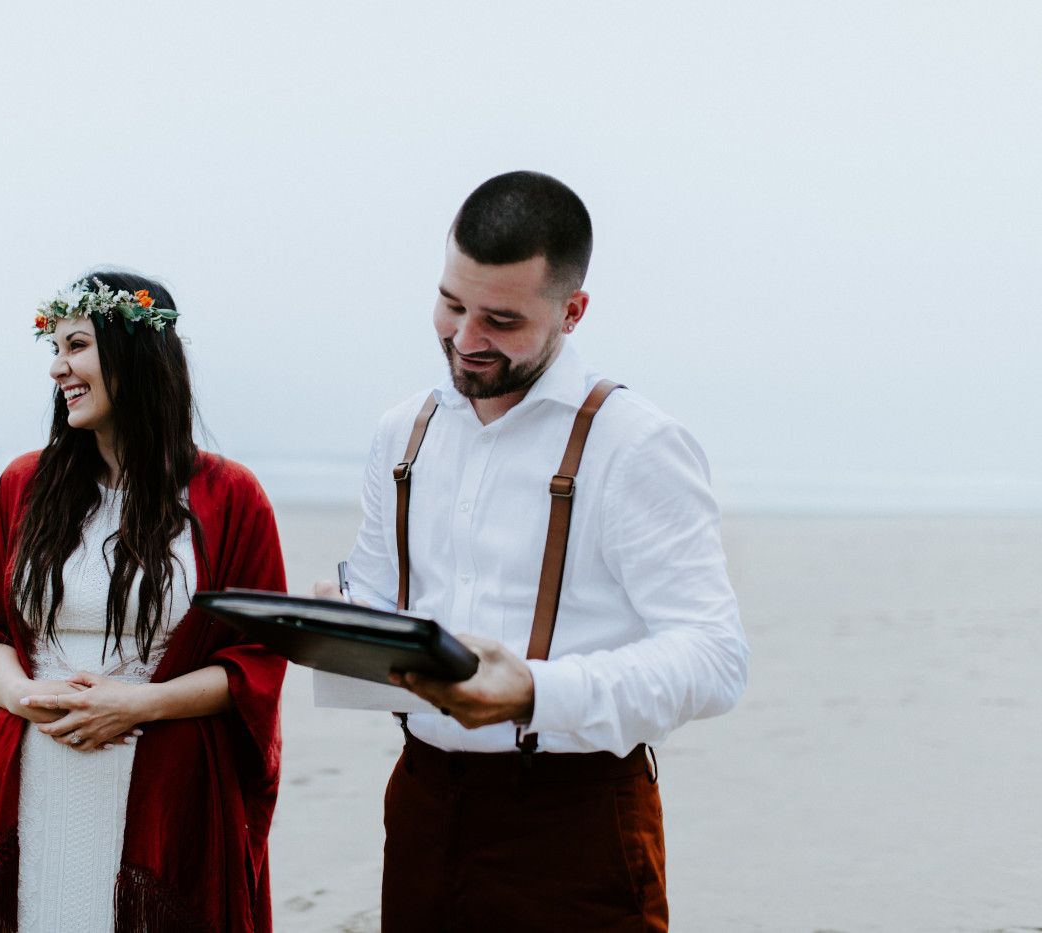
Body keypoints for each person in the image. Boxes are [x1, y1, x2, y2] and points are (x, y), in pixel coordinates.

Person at [318, 172, 749, 931]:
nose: (465, 337)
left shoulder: (637, 444)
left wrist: (536, 693)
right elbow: (383, 605)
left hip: (574, 817)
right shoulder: (402, 432)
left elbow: (715, 658)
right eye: (452, 304)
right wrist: (334, 626)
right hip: (420, 800)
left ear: (572, 311)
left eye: (501, 319)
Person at [0, 270, 287, 933]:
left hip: (165, 780)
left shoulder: (231, 496)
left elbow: (259, 659)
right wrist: (27, 698)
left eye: (77, 345)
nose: (59, 367)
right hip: (29, 763)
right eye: (54, 349)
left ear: (136, 353)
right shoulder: (22, 486)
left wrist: (135, 702)